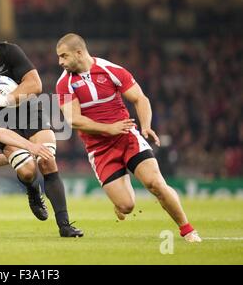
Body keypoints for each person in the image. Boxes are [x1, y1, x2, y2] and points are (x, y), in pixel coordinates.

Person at [55, 33, 201, 242]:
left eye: (64, 56)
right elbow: (74, 120)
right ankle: (120, 203)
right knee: (126, 206)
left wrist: (146, 125)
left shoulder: (111, 70)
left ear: (79, 53)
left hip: (127, 137)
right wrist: (108, 128)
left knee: (155, 184)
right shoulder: (64, 84)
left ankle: (188, 230)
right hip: (99, 150)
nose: (60, 62)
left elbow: (140, 98)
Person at [0, 21, 83, 237]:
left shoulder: (8, 52)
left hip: (31, 112)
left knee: (46, 159)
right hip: (2, 124)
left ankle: (65, 226)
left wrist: (7, 98)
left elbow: (35, 84)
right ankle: (32, 189)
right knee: (27, 171)